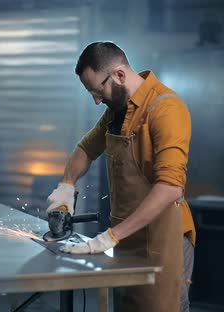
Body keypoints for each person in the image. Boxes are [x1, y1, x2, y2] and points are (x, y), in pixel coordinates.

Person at [47, 42, 196, 312]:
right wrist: (66, 186)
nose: (95, 99)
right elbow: (85, 149)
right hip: (127, 239)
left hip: (164, 240)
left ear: (119, 75)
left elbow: (170, 187)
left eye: (97, 90)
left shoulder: (166, 109)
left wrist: (108, 238)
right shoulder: (117, 111)